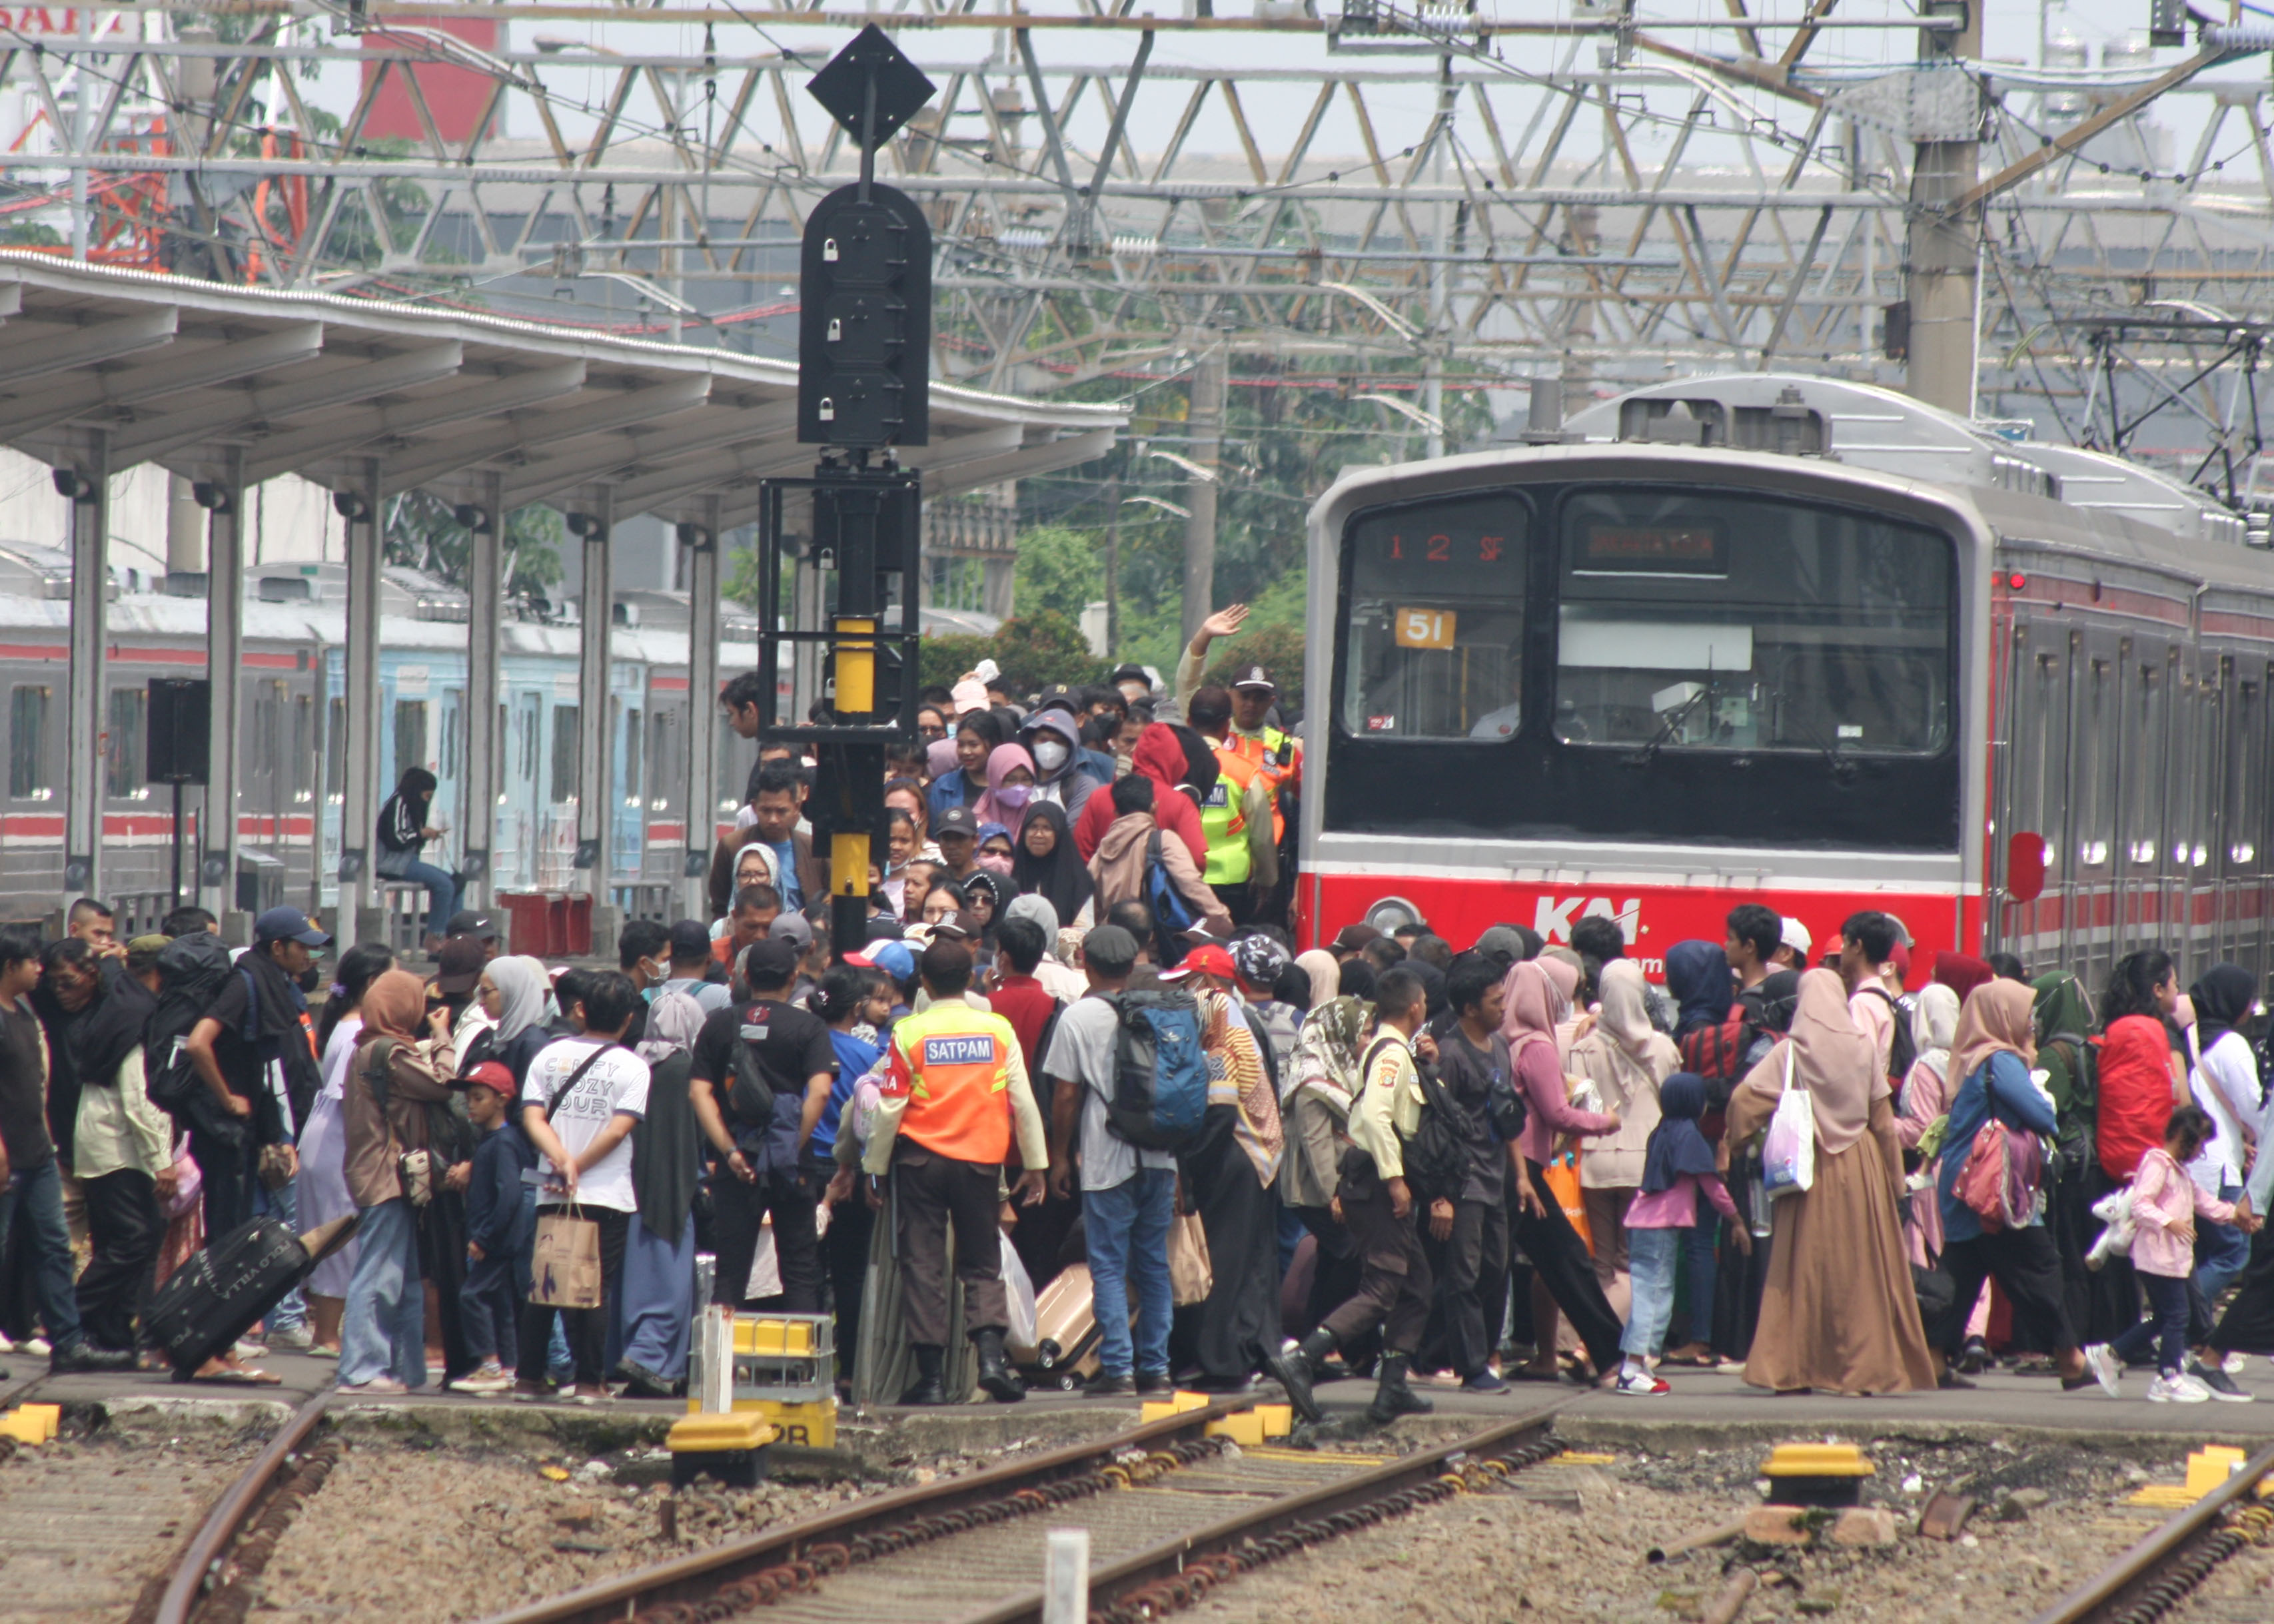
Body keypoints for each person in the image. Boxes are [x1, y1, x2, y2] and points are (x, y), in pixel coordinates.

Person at [832, 939, 1047, 1405]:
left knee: (923, 1265)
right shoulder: (997, 1030)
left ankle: (929, 1379)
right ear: (970, 979)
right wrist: (1035, 1166)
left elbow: (889, 1109)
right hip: (980, 1164)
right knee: (982, 1263)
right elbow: (1023, 1103)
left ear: (924, 983)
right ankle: (989, 1361)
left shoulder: (909, 1032)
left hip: (920, 1165)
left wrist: (874, 1169)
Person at [1726, 969, 1934, 1395]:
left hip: (1808, 1168)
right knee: (1860, 1271)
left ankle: (1796, 1364)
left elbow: (1742, 1102)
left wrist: (1738, 1140)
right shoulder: (1861, 1049)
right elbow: (1882, 1123)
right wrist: (1897, 1187)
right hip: (1862, 1170)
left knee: (1803, 1268)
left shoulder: (1792, 1053)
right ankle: (1863, 1368)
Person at [1289, 967, 1437, 1423]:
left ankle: (1391, 1385)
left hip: (1371, 1179)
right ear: (1415, 1006)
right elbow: (1374, 1116)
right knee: (1382, 1287)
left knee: (1416, 1285)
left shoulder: (1384, 1048)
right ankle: (1302, 1360)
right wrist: (1395, 1179)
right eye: (1425, 1001)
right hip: (1376, 1182)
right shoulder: (1390, 1053)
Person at [1928, 981, 2091, 1392]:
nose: (2031, 1023)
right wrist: (2030, 1059)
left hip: (1965, 1182)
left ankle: (1931, 1360)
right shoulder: (2000, 1060)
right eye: (2025, 1015)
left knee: (1964, 1273)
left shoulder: (1972, 1058)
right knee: (2038, 1267)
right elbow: (2043, 1115)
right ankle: (2070, 1359)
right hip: (1992, 1187)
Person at [1163, 945, 1295, 1402]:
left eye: (1186, 982)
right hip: (1257, 1154)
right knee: (1251, 1260)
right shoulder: (1240, 1015)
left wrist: (1190, 1166)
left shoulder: (1217, 1017)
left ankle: (1222, 1364)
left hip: (1232, 1154)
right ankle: (1254, 1352)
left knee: (1222, 1261)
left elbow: (1219, 1106)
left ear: (1208, 982)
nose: (1181, 992)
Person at [181, 907, 326, 1316]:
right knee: (228, 1235)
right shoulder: (245, 984)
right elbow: (198, 1043)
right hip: (224, 1129)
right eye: (301, 948)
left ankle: (231, 1328)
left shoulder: (273, 983)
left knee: (244, 1231)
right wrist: (228, 1097)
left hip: (250, 1131)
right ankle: (213, 1328)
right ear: (276, 947)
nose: (308, 957)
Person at [0, 927, 131, 1372]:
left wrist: (111, 964)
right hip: (7, 1156)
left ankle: (68, 1342)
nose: (42, 971)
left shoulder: (24, 1013)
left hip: (39, 1154)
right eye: (33, 963)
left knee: (56, 1247)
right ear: (9, 967)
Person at [517, 973, 648, 1400]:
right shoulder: (633, 1066)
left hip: (552, 1190)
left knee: (547, 1282)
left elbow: (533, 1116)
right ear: (628, 1019)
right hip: (606, 1193)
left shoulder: (549, 1056)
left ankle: (528, 1377)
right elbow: (617, 1132)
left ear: (581, 1011)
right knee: (595, 1287)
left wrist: (560, 1162)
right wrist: (578, 1164)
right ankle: (591, 1382)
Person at [689, 939, 835, 1315]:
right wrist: (787, 1147)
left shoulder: (721, 1023)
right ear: (793, 977)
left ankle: (720, 1370)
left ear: (746, 977)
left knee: (730, 1272)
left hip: (736, 1162)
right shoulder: (809, 1027)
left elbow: (699, 1094)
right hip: (792, 1163)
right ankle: (803, 1372)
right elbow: (819, 1093)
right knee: (800, 1269)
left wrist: (731, 1151)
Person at [41, 938, 165, 1367]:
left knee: (119, 1238)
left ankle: (109, 1336)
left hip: (100, 1141)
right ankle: (72, 1319)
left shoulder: (118, 1006)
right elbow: (136, 1098)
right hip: (113, 1145)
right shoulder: (135, 1016)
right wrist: (160, 1160)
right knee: (137, 1238)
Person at [1501, 956, 1624, 1384]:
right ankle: (1611, 1359)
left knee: (1540, 1262)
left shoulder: (1507, 1040)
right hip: (1527, 1171)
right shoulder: (1536, 1046)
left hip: (1509, 1165)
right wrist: (1604, 1122)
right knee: (1568, 1260)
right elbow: (1557, 1114)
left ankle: (1546, 1359)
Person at [2086, 1106, 2259, 1402]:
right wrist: (2169, 1222)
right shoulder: (2157, 1164)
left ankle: (2112, 1353)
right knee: (2178, 1315)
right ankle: (2167, 1376)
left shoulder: (2180, 1173)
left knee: (2166, 1316)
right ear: (2184, 1137)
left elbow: (2205, 1203)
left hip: (2173, 1259)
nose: (2201, 1151)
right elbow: (2142, 1204)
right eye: (2200, 1143)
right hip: (2156, 1256)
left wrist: (2237, 1217)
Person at [338, 969, 456, 1394]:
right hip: (386, 1176)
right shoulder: (390, 1051)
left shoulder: (366, 1047)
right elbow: (442, 1085)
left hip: (377, 1172)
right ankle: (362, 1368)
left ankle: (405, 1369)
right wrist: (442, 1036)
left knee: (404, 1278)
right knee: (379, 1274)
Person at [1616, 1074, 1745, 1395]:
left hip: (1640, 1221)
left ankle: (1637, 1365)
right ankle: (1633, 1368)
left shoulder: (1663, 1130)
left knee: (1650, 1291)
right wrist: (1737, 1219)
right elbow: (1712, 1187)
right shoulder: (1690, 1136)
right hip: (1659, 1227)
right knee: (1655, 1294)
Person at [1423, 956, 1518, 1393]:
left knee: (1494, 1268)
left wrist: (1520, 1177)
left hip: (1495, 1178)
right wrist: (1442, 1194)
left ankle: (1428, 1348)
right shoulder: (1452, 1055)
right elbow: (1437, 1129)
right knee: (1463, 1273)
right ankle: (1472, 1366)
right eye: (1495, 1001)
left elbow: (1506, 1113)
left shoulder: (1499, 1046)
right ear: (1468, 1009)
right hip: (1464, 1183)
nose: (1504, 1007)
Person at [1569, 960, 1675, 1311]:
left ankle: (1590, 1344)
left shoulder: (1585, 1047)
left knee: (1601, 1261)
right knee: (1632, 1263)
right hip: (1646, 1164)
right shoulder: (1663, 1048)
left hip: (1596, 1162)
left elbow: (1581, 1103)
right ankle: (1626, 1344)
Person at [617, 989, 705, 1398]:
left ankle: (637, 1358)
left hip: (630, 1187)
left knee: (635, 1278)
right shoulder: (688, 1070)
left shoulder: (634, 1064)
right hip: (673, 1188)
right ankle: (651, 1358)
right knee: (669, 1280)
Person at [809, 968, 885, 1366]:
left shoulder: (803, 1044)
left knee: (805, 1271)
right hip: (849, 1173)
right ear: (857, 1008)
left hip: (805, 1170)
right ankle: (851, 1370)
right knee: (851, 1273)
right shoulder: (867, 1056)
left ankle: (807, 1366)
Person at [448, 1060, 532, 1394]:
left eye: (479, 1097)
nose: (471, 1104)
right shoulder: (493, 1141)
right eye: (469, 1097)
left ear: (502, 1099)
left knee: (472, 1295)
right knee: (500, 1305)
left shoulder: (504, 1142)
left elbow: (510, 1194)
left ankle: (490, 1365)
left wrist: (485, 1237)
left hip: (495, 1241)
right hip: (497, 1239)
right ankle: (510, 1369)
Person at [2182, 966, 2259, 1318]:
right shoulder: (2231, 1045)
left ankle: (2190, 1327)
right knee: (2233, 1254)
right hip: (2217, 1167)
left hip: (2186, 1158)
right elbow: (2253, 1107)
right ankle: (2176, 1316)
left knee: (2197, 1252)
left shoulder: (2187, 1037)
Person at [1089, 774, 1233, 957]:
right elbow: (1190, 882)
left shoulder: (1101, 853)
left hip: (1114, 949)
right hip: (1154, 946)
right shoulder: (1163, 840)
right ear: (1154, 807)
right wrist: (1222, 917)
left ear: (1116, 814)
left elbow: (1092, 908)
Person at [1073, 721, 1209, 867]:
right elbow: (1197, 858)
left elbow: (1080, 852)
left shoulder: (1099, 797)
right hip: (1159, 887)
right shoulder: (1180, 803)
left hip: (1106, 887)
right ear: (1175, 760)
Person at [710, 765, 823, 920]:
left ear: (796, 808)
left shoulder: (814, 849)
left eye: (781, 811)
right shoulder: (731, 846)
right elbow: (720, 906)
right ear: (755, 808)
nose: (773, 820)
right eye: (766, 811)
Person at [375, 767, 460, 953]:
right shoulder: (399, 803)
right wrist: (421, 833)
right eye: (427, 796)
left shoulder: (411, 805)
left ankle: (454, 938)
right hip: (393, 863)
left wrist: (424, 835)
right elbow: (395, 838)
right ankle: (435, 937)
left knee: (456, 883)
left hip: (407, 861)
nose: (426, 801)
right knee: (444, 886)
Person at [1013, 803, 1094, 932]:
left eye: (1047, 828)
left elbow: (1083, 930)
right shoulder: (1012, 873)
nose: (1039, 834)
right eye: (1033, 827)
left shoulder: (1079, 881)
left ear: (1059, 833)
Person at [1019, 707, 1103, 819]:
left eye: (1059, 741)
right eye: (1043, 740)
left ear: (1070, 747)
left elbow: (1072, 830)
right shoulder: (1018, 781)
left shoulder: (1081, 785)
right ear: (1032, 742)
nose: (1049, 747)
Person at [927, 711, 1005, 821]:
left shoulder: (1007, 786)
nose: (966, 752)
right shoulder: (944, 786)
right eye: (961, 745)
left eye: (973, 745)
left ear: (994, 745)